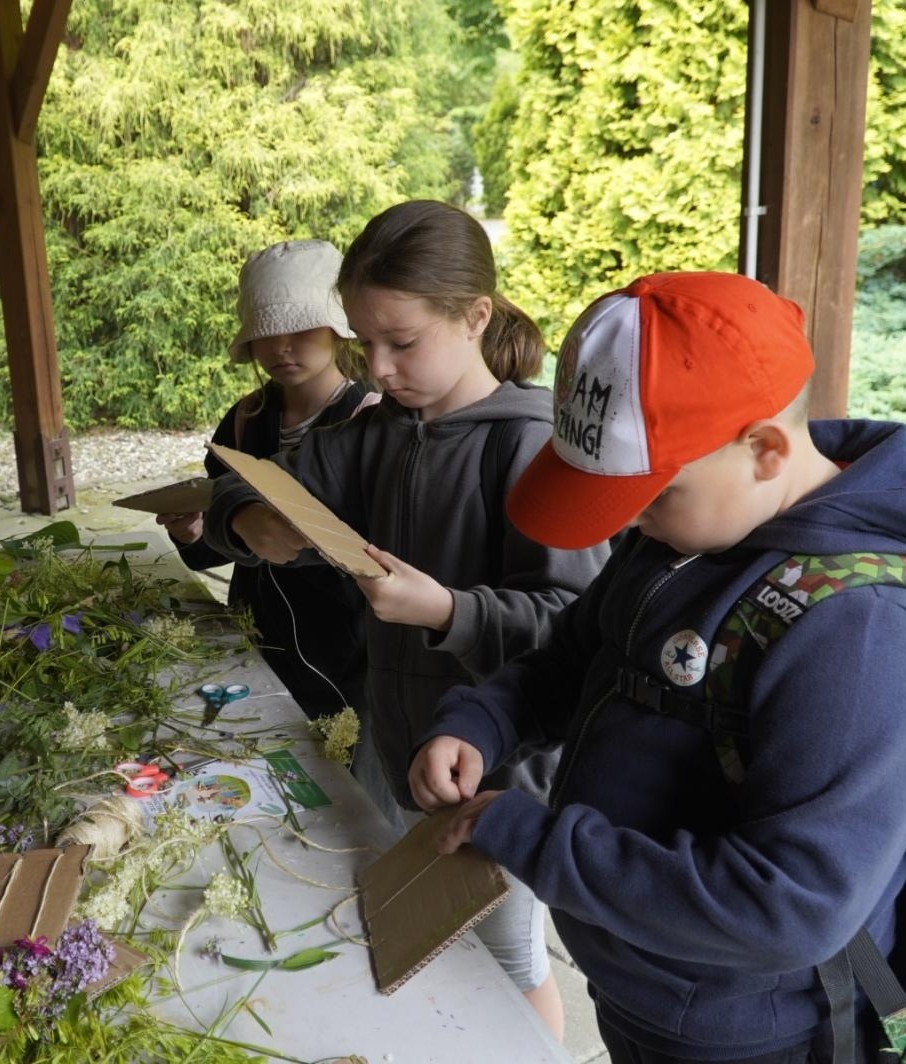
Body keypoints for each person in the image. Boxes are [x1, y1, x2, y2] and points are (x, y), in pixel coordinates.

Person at [410, 271, 906, 1063]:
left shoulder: (867, 636)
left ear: (765, 449)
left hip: (747, 1034)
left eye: (650, 494)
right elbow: (580, 656)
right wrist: (485, 720)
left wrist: (536, 840)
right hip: (642, 983)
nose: (626, 522)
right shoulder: (688, 534)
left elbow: (786, 907)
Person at [202, 201, 611, 1038]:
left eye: (403, 342)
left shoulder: (531, 447)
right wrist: (250, 520)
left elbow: (573, 627)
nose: (379, 369)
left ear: (476, 316)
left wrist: (445, 611)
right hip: (393, 742)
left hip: (499, 775)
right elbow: (250, 480)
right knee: (418, 942)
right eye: (364, 345)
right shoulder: (377, 435)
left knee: (506, 960)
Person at [159, 239, 378, 721]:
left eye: (300, 328)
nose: (281, 347)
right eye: (266, 332)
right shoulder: (245, 418)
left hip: (344, 662)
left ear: (338, 327)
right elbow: (223, 538)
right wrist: (194, 533)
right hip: (253, 634)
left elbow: (375, 555)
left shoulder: (370, 419)